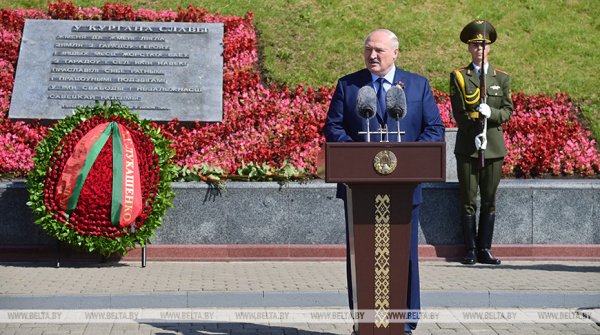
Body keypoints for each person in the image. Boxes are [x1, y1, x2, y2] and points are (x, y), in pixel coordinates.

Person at [323, 29, 444, 335]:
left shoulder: (416, 86)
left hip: (404, 188)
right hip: (359, 189)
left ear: (395, 53)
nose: (372, 55)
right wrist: (359, 157)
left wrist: (408, 159)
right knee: (361, 257)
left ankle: (405, 324)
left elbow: (434, 129)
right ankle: (363, 323)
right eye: (367, 50)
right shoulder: (349, 85)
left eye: (378, 50)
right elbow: (333, 127)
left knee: (405, 257)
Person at [449, 20, 513, 265]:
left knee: (488, 198)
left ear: (490, 48)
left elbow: (507, 111)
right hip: (468, 145)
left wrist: (492, 115)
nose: (479, 49)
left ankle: (485, 248)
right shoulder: (459, 77)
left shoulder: (502, 78)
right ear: (468, 48)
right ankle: (470, 249)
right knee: (468, 198)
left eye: (484, 45)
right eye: (475, 45)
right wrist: (472, 130)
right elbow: (458, 111)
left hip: (494, 147)